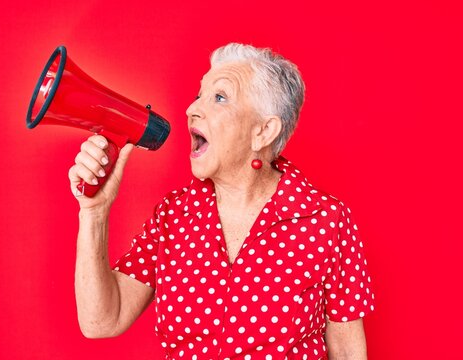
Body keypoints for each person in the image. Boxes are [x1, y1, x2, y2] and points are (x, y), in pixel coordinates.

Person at [69, 43, 375, 359]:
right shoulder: (173, 215)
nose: (192, 109)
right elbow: (102, 321)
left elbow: (348, 351)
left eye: (219, 97)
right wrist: (94, 212)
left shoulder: (327, 221)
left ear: (263, 131)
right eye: (198, 95)